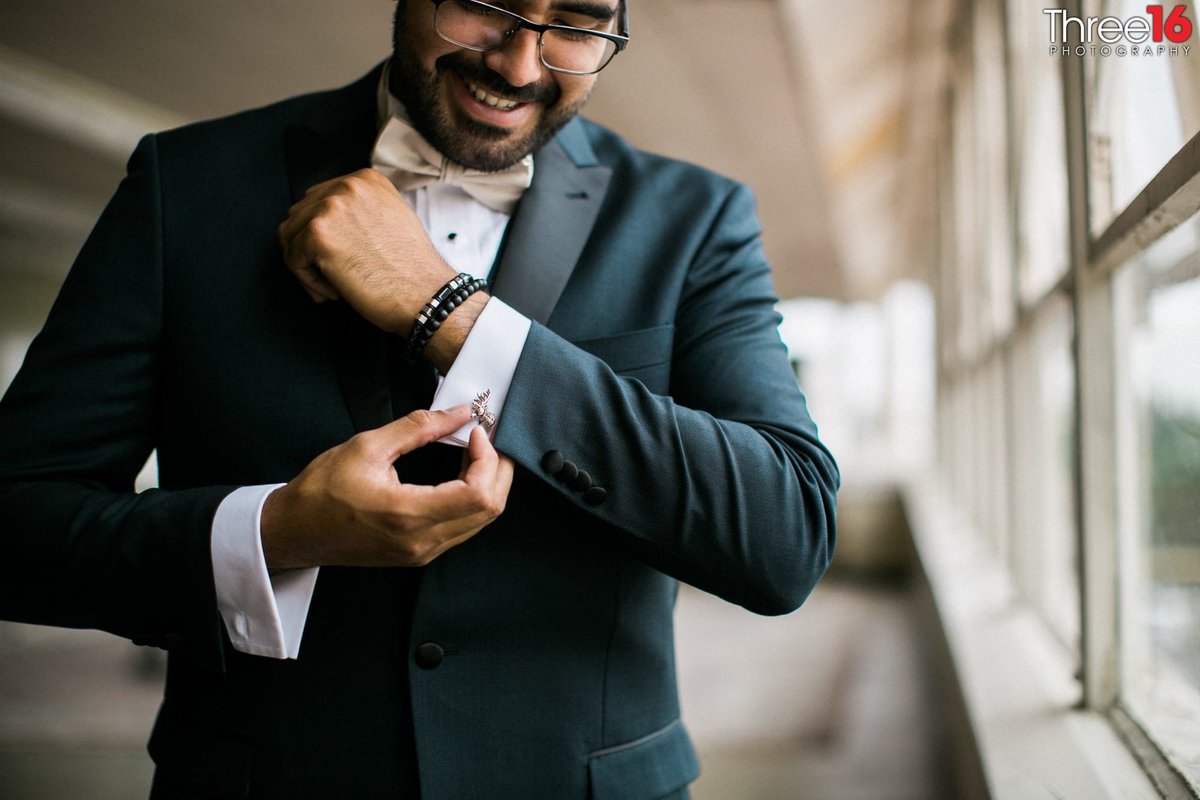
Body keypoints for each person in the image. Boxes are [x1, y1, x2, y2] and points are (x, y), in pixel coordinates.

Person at [0, 0, 839, 797]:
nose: (519, 66)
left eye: (579, 27)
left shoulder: (695, 218)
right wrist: (277, 531)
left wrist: (448, 311)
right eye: (487, 6)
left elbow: (785, 535)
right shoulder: (184, 185)